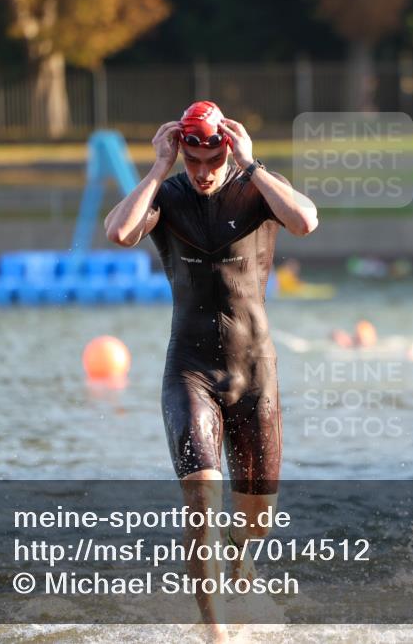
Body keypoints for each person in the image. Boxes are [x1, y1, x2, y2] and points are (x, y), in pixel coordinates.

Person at [104, 100, 318, 642]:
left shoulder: (255, 188)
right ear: (182, 154)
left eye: (211, 159)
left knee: (253, 523)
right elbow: (119, 233)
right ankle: (215, 636)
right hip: (190, 374)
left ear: (227, 149)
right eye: (191, 160)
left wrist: (252, 164)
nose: (201, 172)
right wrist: (157, 167)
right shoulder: (167, 196)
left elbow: (306, 221)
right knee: (202, 505)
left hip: (256, 375)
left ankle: (241, 574)